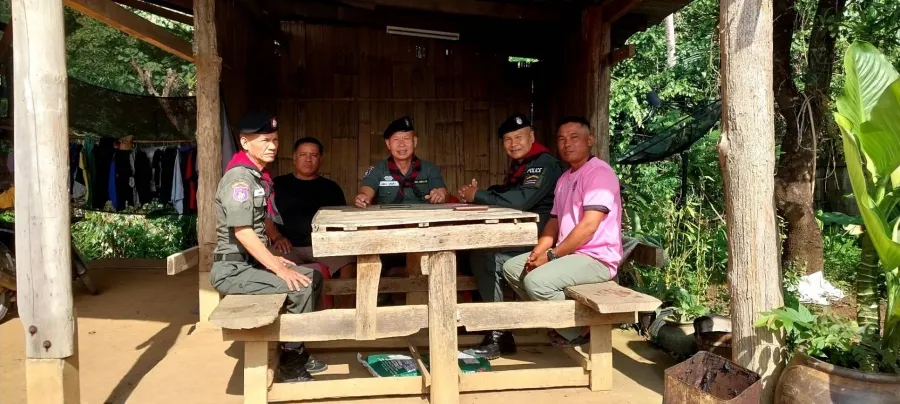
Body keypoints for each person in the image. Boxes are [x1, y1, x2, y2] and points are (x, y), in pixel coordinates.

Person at [210, 112, 326, 382]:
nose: (272, 145)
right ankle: (291, 364)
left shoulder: (257, 177)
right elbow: (243, 232)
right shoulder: (240, 180)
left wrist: (275, 262)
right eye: (264, 140)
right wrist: (277, 267)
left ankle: (297, 349)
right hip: (232, 270)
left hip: (250, 265)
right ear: (244, 143)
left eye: (274, 140)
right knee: (300, 285)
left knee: (313, 277)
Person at [501, 116, 623, 347]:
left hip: (596, 258)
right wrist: (537, 252)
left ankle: (580, 329)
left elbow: (589, 226)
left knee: (537, 282)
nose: (567, 144)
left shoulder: (599, 173)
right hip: (571, 255)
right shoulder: (565, 178)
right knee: (513, 268)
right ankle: (563, 322)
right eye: (561, 139)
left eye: (574, 137)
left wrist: (552, 256)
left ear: (590, 140)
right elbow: (554, 222)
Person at [458, 113, 563, 359]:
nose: (513, 144)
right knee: (470, 253)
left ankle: (497, 333)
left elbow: (521, 200)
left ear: (532, 136)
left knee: (486, 256)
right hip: (523, 233)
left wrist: (478, 195)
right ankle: (496, 330)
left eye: (519, 137)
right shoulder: (523, 164)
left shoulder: (542, 163)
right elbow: (508, 191)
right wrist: (478, 193)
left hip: (543, 238)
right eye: (507, 139)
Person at [269, 137, 356, 282]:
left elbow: (341, 222)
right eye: (303, 155)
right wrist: (277, 237)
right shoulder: (278, 184)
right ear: (294, 158)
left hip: (323, 246)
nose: (308, 159)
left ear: (320, 159)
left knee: (349, 261)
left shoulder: (331, 188)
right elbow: (267, 216)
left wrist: (332, 240)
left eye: (314, 155)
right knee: (269, 261)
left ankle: (341, 297)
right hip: (288, 246)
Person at [354, 116, 448, 208]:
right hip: (388, 217)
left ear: (415, 141)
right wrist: (362, 197)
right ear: (388, 144)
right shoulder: (377, 169)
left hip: (422, 217)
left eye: (406, 139)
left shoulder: (429, 169)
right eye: (396, 139)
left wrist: (440, 196)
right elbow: (366, 191)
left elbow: (443, 193)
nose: (401, 144)